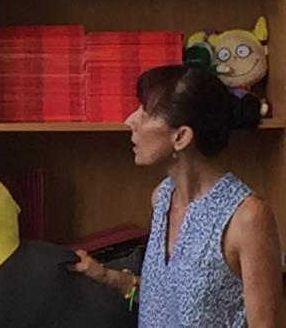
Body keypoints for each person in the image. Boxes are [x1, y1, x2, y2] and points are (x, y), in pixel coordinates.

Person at [72, 64, 282, 327]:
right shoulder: (161, 198)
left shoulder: (248, 218)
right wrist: (102, 274)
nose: (130, 121)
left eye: (145, 113)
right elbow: (167, 299)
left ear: (181, 137)